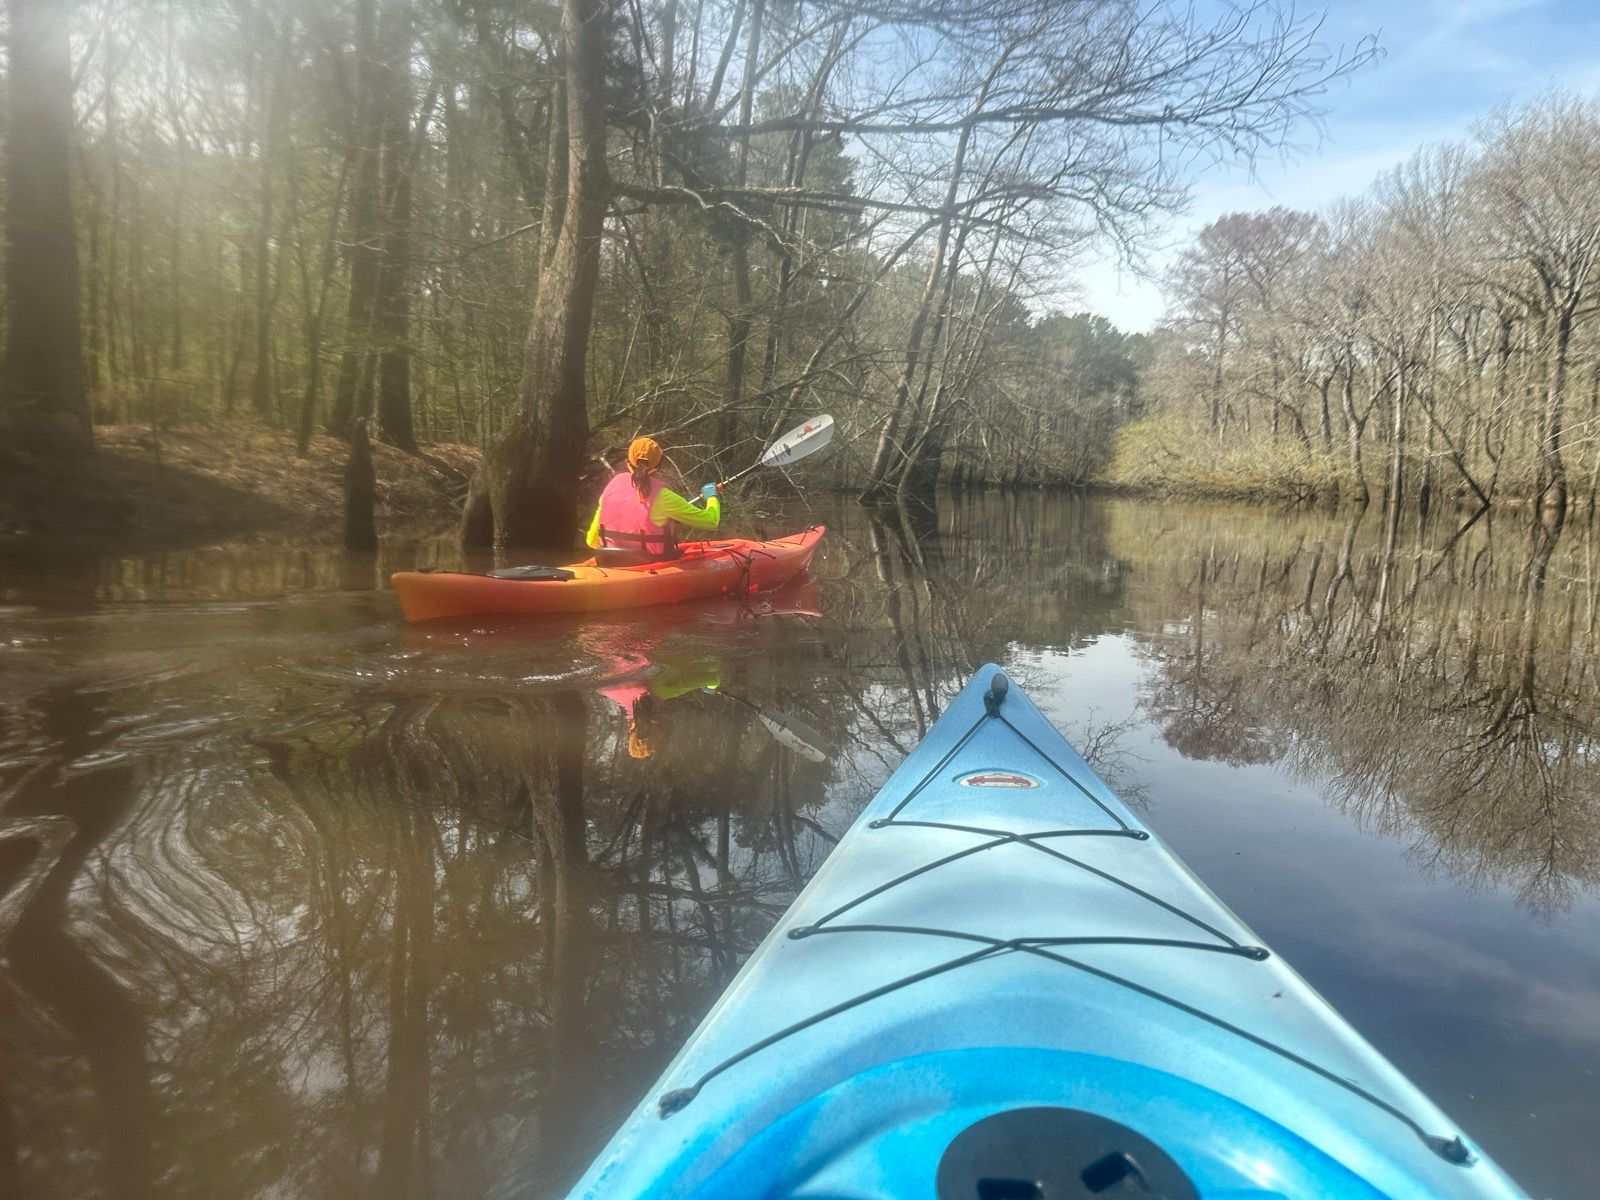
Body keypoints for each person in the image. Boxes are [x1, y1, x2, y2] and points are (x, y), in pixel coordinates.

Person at [584, 436, 721, 561]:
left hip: (610, 562)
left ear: (627, 461)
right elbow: (711, 521)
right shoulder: (664, 497)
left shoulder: (611, 486)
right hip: (651, 564)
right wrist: (711, 497)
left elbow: (592, 541)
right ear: (657, 467)